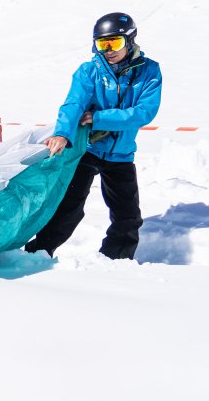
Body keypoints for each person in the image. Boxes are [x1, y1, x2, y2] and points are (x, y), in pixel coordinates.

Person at [25, 13, 162, 260]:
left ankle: (114, 262)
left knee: (128, 216)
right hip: (87, 150)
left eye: (114, 43)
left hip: (121, 155)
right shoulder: (89, 71)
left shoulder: (149, 72)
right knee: (68, 209)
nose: (108, 50)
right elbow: (74, 103)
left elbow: (143, 113)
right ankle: (37, 255)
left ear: (130, 40)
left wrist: (98, 118)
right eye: (102, 44)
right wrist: (62, 133)